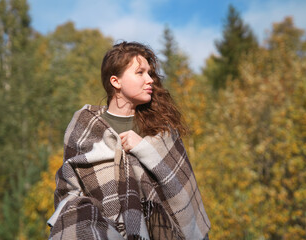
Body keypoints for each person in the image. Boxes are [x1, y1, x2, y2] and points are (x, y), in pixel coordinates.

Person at [48, 41, 210, 240]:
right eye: (140, 73)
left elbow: (181, 191)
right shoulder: (83, 127)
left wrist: (143, 148)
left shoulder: (162, 129)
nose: (149, 80)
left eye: (149, 73)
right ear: (116, 82)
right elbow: (69, 192)